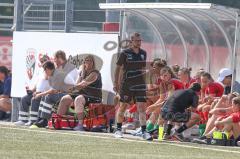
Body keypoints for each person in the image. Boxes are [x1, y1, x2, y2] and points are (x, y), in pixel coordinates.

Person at [113, 32, 152, 140]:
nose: (139, 43)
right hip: (127, 84)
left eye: (140, 41)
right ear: (131, 41)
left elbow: (143, 70)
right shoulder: (125, 53)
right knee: (123, 107)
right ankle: (118, 129)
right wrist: (116, 83)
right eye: (136, 41)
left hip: (139, 84)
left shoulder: (143, 53)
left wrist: (146, 84)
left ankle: (144, 131)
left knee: (141, 108)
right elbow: (118, 68)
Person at [30, 51, 78, 128]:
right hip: (65, 93)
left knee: (49, 96)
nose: (44, 72)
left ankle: (45, 120)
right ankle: (40, 119)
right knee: (45, 96)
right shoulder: (54, 74)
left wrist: (39, 94)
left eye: (45, 70)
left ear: (48, 69)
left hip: (72, 95)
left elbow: (53, 90)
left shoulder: (57, 73)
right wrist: (40, 94)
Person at [57, 55, 102, 131]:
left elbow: (82, 85)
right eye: (86, 60)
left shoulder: (95, 73)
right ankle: (58, 122)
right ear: (84, 63)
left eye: (90, 61)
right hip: (82, 94)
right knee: (65, 99)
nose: (88, 62)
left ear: (93, 63)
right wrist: (82, 73)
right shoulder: (82, 72)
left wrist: (70, 88)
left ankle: (80, 125)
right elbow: (77, 84)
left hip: (94, 96)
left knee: (78, 99)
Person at [14, 55, 51, 126]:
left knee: (34, 99)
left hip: (44, 94)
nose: (43, 62)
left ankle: (33, 121)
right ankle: (23, 120)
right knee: (24, 98)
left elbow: (47, 78)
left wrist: (45, 68)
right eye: (42, 61)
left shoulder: (48, 71)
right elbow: (37, 84)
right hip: (37, 92)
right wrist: (31, 90)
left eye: (44, 61)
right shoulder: (40, 71)